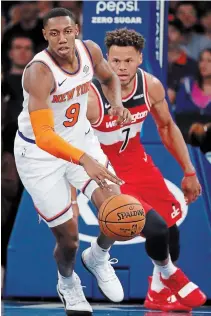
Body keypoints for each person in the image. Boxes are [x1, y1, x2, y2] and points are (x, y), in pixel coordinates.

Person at [14, 8, 132, 315]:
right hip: (39, 155)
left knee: (117, 208)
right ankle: (67, 282)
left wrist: (116, 104)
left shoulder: (90, 51)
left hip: (80, 138)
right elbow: (44, 136)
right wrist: (85, 161)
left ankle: (99, 256)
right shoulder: (38, 72)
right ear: (45, 36)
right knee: (68, 240)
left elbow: (109, 79)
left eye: (66, 31)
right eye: (54, 34)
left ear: (76, 29)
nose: (62, 39)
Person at [83, 28, 207, 311]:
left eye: (128, 60)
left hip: (136, 160)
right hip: (105, 168)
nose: (122, 68)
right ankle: (171, 276)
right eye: (115, 61)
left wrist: (189, 171)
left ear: (139, 58)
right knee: (154, 227)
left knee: (171, 231)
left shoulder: (150, 86)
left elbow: (166, 127)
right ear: (105, 61)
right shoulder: (89, 97)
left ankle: (156, 292)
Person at [175, 48, 211, 142]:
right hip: (187, 138)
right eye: (201, 60)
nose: (204, 65)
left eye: (209, 61)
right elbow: (179, 114)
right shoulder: (187, 85)